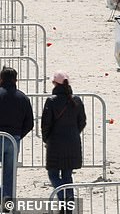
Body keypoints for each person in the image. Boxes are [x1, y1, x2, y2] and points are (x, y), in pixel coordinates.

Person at [42, 72, 87, 206]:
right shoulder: (76, 100)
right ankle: (69, 200)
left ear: (55, 84)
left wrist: (46, 138)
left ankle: (63, 198)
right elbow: (82, 121)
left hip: (55, 142)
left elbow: (46, 124)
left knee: (53, 174)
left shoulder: (52, 100)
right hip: (72, 141)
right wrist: (74, 132)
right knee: (67, 175)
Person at [0, 66, 34, 204]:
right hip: (13, 139)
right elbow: (30, 122)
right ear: (16, 80)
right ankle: (7, 197)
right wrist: (18, 135)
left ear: (1, 79)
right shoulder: (23, 97)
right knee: (9, 172)